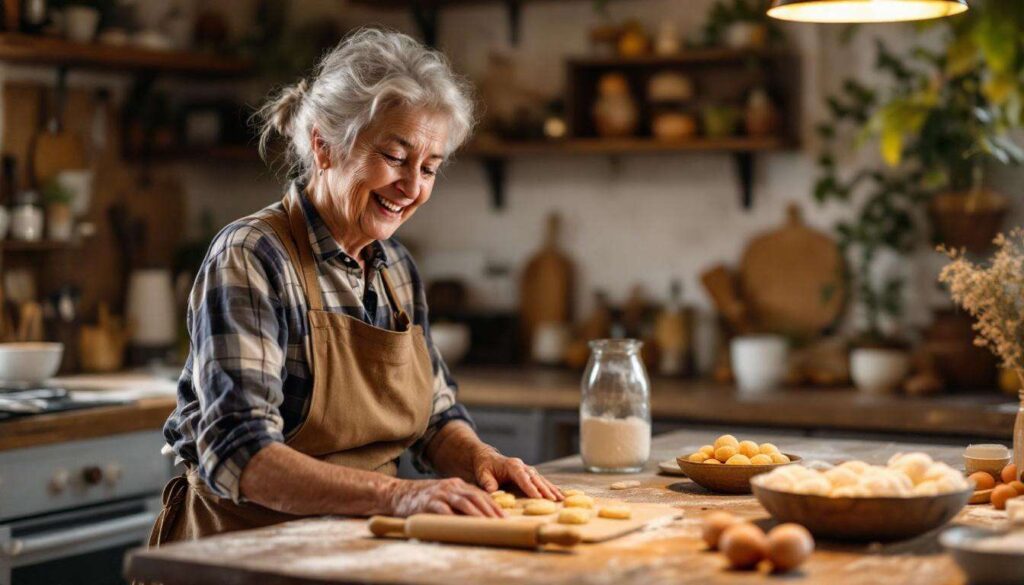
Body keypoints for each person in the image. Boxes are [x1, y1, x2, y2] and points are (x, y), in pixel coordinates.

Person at [150, 29, 562, 544]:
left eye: (429, 168)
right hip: (244, 554)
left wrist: (482, 458)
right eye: (394, 157)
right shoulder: (252, 257)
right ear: (324, 146)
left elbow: (434, 415)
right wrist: (398, 496)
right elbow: (239, 453)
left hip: (360, 550)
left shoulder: (397, 269)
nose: (412, 188)